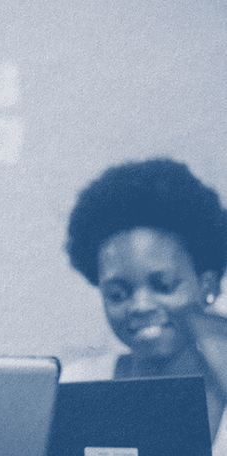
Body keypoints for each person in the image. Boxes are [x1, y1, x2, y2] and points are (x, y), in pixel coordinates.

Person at [63, 157, 227, 448]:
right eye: (118, 294)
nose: (140, 305)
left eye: (163, 285)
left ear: (208, 285)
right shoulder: (75, 386)